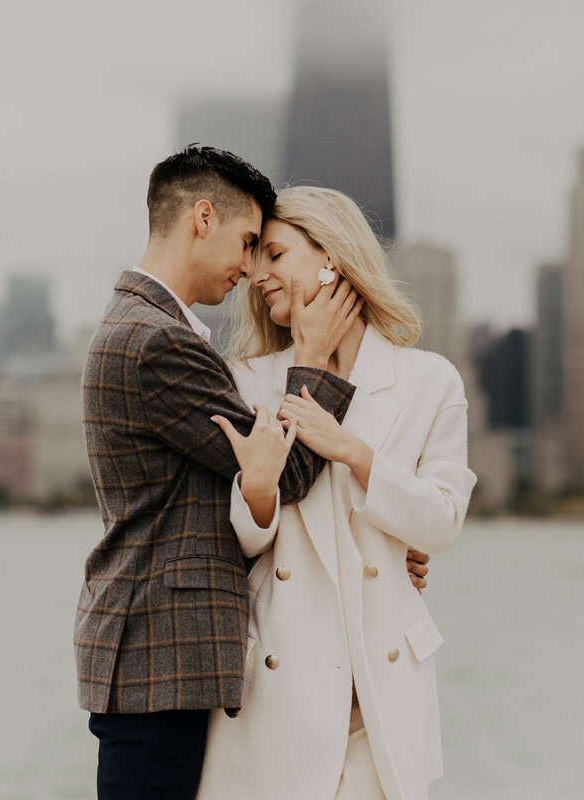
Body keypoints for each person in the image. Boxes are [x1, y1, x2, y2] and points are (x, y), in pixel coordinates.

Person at [75, 146, 428, 799]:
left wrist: (375, 548)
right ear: (200, 219)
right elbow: (287, 474)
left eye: (267, 252)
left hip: (161, 658)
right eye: (246, 243)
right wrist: (316, 356)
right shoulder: (158, 342)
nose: (248, 267)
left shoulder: (151, 327)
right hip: (162, 658)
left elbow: (243, 490)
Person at [199, 186, 478, 799]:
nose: (256, 275)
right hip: (282, 690)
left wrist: (350, 450)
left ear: (331, 258)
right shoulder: (245, 379)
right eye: (254, 259)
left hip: (382, 699)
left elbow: (440, 523)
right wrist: (262, 483)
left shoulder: (430, 381)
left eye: (274, 254)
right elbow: (242, 535)